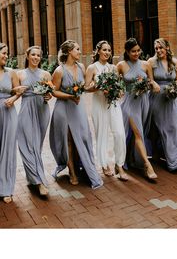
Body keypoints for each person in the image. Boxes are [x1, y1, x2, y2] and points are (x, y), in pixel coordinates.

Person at [49, 40, 103, 189]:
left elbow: (84, 88)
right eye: (77, 49)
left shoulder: (81, 67)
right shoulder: (59, 71)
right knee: (69, 142)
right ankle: (72, 172)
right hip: (63, 108)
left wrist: (96, 86)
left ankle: (84, 167)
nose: (80, 52)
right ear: (69, 52)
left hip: (78, 108)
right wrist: (69, 96)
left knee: (84, 137)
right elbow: (54, 91)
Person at [117, 38, 160, 180]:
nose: (136, 53)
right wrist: (119, 91)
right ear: (127, 52)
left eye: (138, 50)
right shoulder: (121, 65)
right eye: (133, 51)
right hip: (129, 103)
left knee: (139, 132)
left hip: (143, 102)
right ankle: (148, 165)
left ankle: (130, 159)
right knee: (138, 134)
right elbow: (116, 84)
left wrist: (153, 84)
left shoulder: (146, 64)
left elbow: (150, 80)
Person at [85, 40, 128, 181]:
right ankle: (104, 164)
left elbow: (119, 86)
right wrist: (97, 86)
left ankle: (119, 164)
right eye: (104, 50)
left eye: (109, 50)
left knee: (120, 133)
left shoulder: (113, 68)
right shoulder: (92, 68)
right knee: (101, 134)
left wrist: (120, 91)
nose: (107, 53)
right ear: (98, 51)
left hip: (113, 103)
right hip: (99, 103)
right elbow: (85, 88)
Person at [145, 38, 177, 175]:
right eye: (156, 48)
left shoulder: (175, 63)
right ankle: (157, 154)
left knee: (175, 128)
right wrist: (153, 83)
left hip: (171, 99)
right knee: (159, 129)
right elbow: (150, 80)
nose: (158, 50)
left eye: (161, 48)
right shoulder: (151, 62)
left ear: (167, 48)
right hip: (157, 98)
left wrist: (174, 89)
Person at [16, 46, 52, 196]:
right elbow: (14, 92)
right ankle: (39, 182)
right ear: (27, 56)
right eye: (33, 55)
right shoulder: (19, 74)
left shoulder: (45, 74)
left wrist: (49, 96)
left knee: (36, 147)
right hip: (26, 110)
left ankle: (32, 177)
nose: (36, 57)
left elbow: (50, 94)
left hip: (42, 111)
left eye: (38, 55)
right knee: (27, 145)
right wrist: (15, 93)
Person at [0, 43, 21, 203]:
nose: (6, 56)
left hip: (8, 113)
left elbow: (18, 91)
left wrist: (13, 99)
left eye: (7, 53)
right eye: (4, 53)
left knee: (7, 150)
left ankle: (6, 188)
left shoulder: (11, 73)